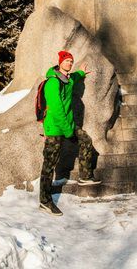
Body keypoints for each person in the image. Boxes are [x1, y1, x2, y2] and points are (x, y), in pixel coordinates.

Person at [39, 50, 101, 215]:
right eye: (66, 61)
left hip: (67, 125)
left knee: (86, 141)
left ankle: (85, 175)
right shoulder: (53, 82)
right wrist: (68, 131)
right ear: (60, 62)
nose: (69, 63)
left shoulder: (67, 79)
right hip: (54, 128)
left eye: (70, 61)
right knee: (49, 165)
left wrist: (81, 73)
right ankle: (45, 201)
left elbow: (73, 77)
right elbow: (57, 109)